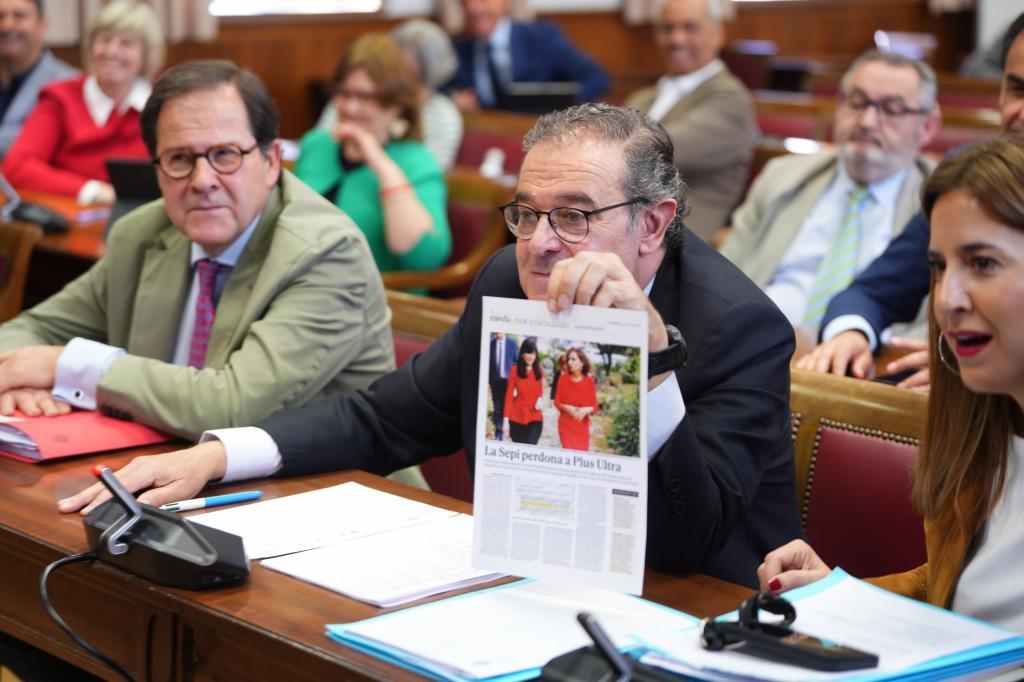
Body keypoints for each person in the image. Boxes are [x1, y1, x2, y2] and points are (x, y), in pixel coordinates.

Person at [61, 103, 802, 589]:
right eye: (527, 214)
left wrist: (651, 369)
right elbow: (386, 418)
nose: (541, 244)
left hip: (691, 610)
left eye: (575, 217)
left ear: (653, 224)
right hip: (528, 578)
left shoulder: (737, 326)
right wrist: (217, 455)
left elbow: (686, 545)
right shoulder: (509, 278)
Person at [0, 60, 400, 448]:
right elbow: (26, 332)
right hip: (166, 467)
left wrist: (66, 366)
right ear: (157, 170)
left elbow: (232, 410)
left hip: (329, 484)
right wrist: (17, 383)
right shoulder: (141, 235)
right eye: (179, 159)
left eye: (225, 154)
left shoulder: (327, 253)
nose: (202, 181)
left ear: (271, 161)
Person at [758, 135, 1024, 634]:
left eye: (983, 263)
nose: (946, 299)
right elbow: (954, 587)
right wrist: (835, 595)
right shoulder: (987, 421)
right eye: (939, 267)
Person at [797, 12, 1024, 389]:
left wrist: (992, 357)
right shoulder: (972, 180)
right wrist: (851, 332)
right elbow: (874, 291)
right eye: (1018, 90)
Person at [721, 50, 940, 334]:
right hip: (754, 341)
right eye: (857, 102)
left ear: (927, 127)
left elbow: (932, 327)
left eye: (891, 109)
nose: (867, 121)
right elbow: (722, 274)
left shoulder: (939, 203)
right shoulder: (782, 177)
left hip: (871, 355)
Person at [295, 33, 452, 275]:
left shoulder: (418, 162)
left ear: (396, 105)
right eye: (344, 93)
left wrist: (379, 161)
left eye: (366, 97)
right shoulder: (317, 144)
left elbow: (425, 258)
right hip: (303, 283)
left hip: (378, 294)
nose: (350, 107)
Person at [2, 0, 162, 203]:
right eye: (104, 40)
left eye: (126, 43)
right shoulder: (60, 97)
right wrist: (95, 191)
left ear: (146, 55)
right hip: (71, 216)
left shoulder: (163, 105)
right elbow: (18, 166)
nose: (111, 51)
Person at [625, 0, 756, 241]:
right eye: (667, 28)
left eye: (690, 27)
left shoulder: (730, 99)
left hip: (680, 237)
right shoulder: (643, 97)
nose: (677, 39)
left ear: (717, 34)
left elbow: (655, 152)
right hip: (630, 225)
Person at [320, 19, 463, 172]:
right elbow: (323, 146)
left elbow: (433, 171)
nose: (351, 107)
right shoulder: (348, 98)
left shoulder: (443, 113)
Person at [449, 0, 610, 113]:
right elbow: (444, 88)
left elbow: (596, 78)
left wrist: (562, 106)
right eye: (465, 2)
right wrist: (456, 99)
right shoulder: (460, 48)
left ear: (505, 2)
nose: (473, 8)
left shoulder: (542, 37)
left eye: (482, 0)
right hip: (489, 133)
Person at [0, 0, 77, 158]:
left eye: (19, 16)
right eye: (0, 17)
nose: (7, 25)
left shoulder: (70, 84)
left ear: (42, 26)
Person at [554, 346, 598, 451]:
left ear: (582, 362)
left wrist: (587, 410)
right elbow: (557, 402)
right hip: (565, 426)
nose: (569, 362)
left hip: (582, 429)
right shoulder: (563, 379)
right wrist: (566, 408)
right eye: (569, 359)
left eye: (573, 359)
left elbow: (595, 406)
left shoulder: (589, 381)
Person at [504, 336, 544, 444]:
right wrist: (506, 420)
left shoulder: (539, 371)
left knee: (531, 444)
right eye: (528, 353)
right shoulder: (514, 370)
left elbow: (540, 391)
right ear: (522, 354)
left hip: (535, 417)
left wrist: (540, 399)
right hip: (517, 418)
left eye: (533, 354)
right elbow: (509, 396)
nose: (531, 357)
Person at [488, 331, 518, 440]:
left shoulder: (511, 343)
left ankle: (510, 431)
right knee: (497, 408)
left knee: (508, 407)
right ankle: (498, 434)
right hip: (495, 381)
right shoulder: (491, 344)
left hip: (508, 382)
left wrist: (516, 384)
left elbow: (516, 362)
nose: (497, 333)